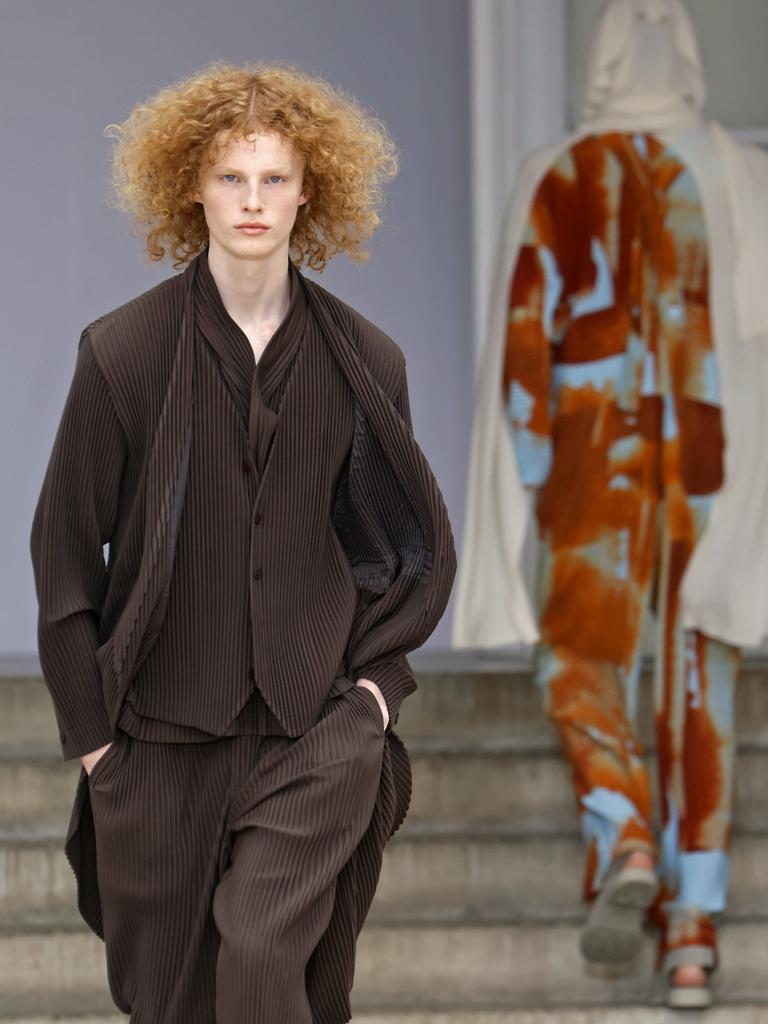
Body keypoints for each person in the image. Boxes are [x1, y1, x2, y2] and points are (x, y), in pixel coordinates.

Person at [29, 60, 456, 1024]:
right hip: (157, 743)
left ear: (311, 189)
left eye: (273, 178)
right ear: (191, 184)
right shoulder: (125, 353)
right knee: (173, 1003)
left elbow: (398, 547)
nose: (253, 200)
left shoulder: (367, 361)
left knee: (265, 957)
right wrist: (97, 747)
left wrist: (377, 698)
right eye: (231, 177)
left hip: (316, 731)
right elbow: (63, 558)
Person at [452, 0, 768, 1011]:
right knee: (698, 670)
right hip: (715, 461)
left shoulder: (557, 174)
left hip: (596, 454)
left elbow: (522, 353)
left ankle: (621, 822)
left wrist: (528, 480)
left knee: (580, 656)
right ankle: (692, 934)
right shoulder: (741, 173)